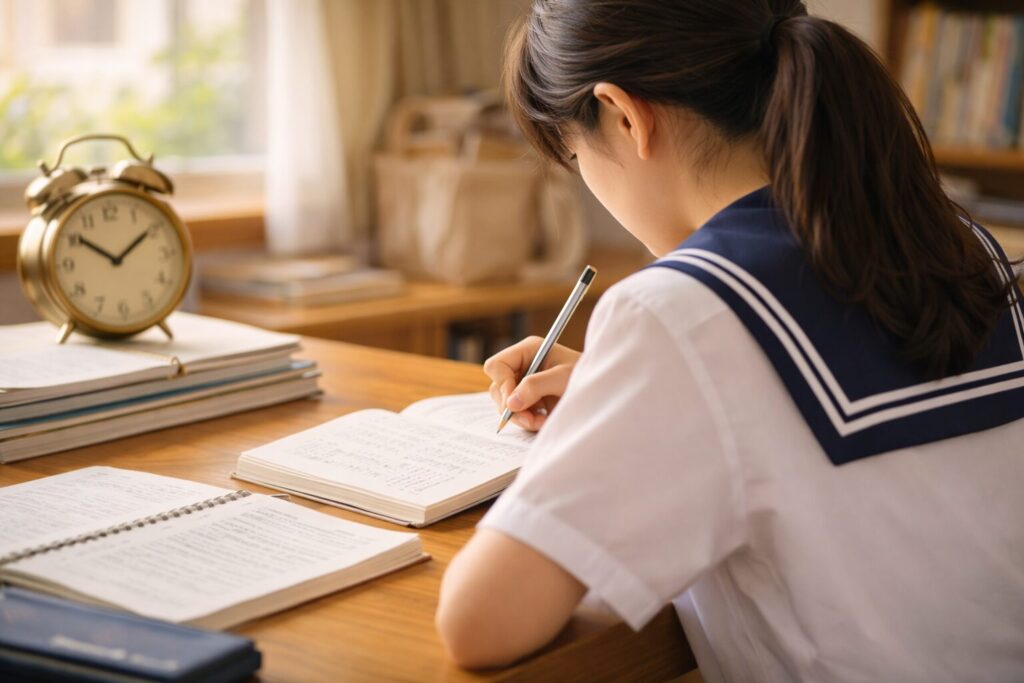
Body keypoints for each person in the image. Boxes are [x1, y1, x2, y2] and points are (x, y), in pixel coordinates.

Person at [434, 1, 1024, 681]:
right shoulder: (964, 246)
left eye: (573, 154)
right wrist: (623, 390)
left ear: (623, 116)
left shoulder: (684, 309)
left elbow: (477, 622)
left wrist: (631, 392)